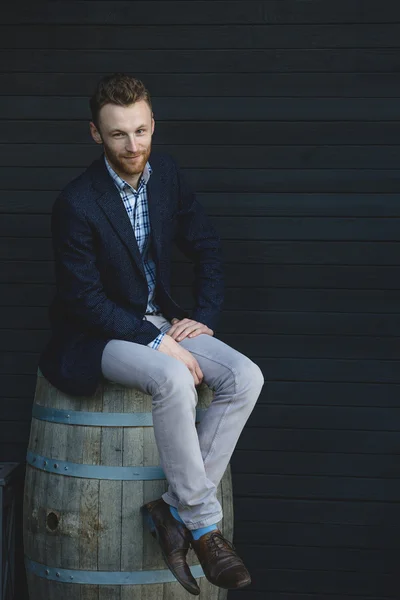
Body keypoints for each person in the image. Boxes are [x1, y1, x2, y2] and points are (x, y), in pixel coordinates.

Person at [39, 72, 264, 594]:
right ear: (96, 134)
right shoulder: (76, 203)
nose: (132, 144)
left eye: (140, 131)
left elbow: (206, 244)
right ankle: (205, 528)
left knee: (247, 377)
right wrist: (157, 340)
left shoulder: (168, 178)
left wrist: (201, 314)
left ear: (153, 125)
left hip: (162, 319)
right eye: (118, 134)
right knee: (171, 377)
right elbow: (83, 299)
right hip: (96, 335)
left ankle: (169, 509)